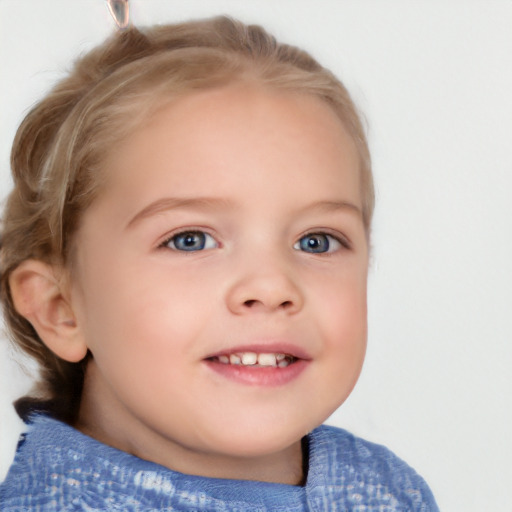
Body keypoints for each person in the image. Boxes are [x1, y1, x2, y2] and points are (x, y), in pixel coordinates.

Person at [0, 16, 438, 510]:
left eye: (316, 241)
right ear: (62, 308)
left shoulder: (387, 490)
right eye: (190, 240)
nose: (273, 285)